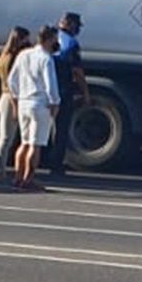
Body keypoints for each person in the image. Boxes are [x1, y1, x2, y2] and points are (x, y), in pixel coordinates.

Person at [7, 25, 60, 191]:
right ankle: (28, 179)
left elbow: (11, 80)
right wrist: (55, 103)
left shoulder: (24, 54)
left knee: (24, 142)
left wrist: (16, 99)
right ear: (50, 39)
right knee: (35, 144)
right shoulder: (46, 58)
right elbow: (50, 85)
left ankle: (17, 176)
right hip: (40, 102)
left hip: (23, 100)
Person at [45, 12, 89, 176]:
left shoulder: (49, 38)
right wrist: (85, 92)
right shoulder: (71, 44)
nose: (77, 29)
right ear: (69, 24)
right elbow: (77, 71)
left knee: (43, 128)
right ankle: (55, 164)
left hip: (44, 90)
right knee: (61, 128)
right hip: (62, 90)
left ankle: (39, 159)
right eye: (76, 25)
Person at [0, 26, 31, 183]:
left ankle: (0, 170)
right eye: (26, 39)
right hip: (10, 98)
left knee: (7, 137)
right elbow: (13, 84)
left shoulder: (5, 55)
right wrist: (16, 106)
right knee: (6, 138)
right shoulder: (13, 58)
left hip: (5, 96)